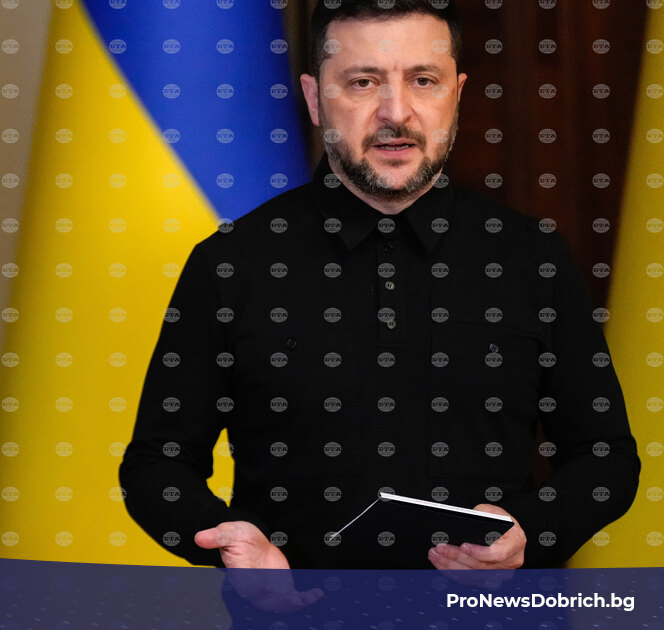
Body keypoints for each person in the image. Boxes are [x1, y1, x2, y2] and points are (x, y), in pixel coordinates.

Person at [120, 0, 639, 573]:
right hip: (291, 609)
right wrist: (231, 547)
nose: (396, 113)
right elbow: (156, 465)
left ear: (457, 94)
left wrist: (531, 531)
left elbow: (606, 458)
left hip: (487, 611)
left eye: (423, 81)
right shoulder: (230, 263)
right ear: (315, 98)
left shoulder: (531, 257)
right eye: (363, 82)